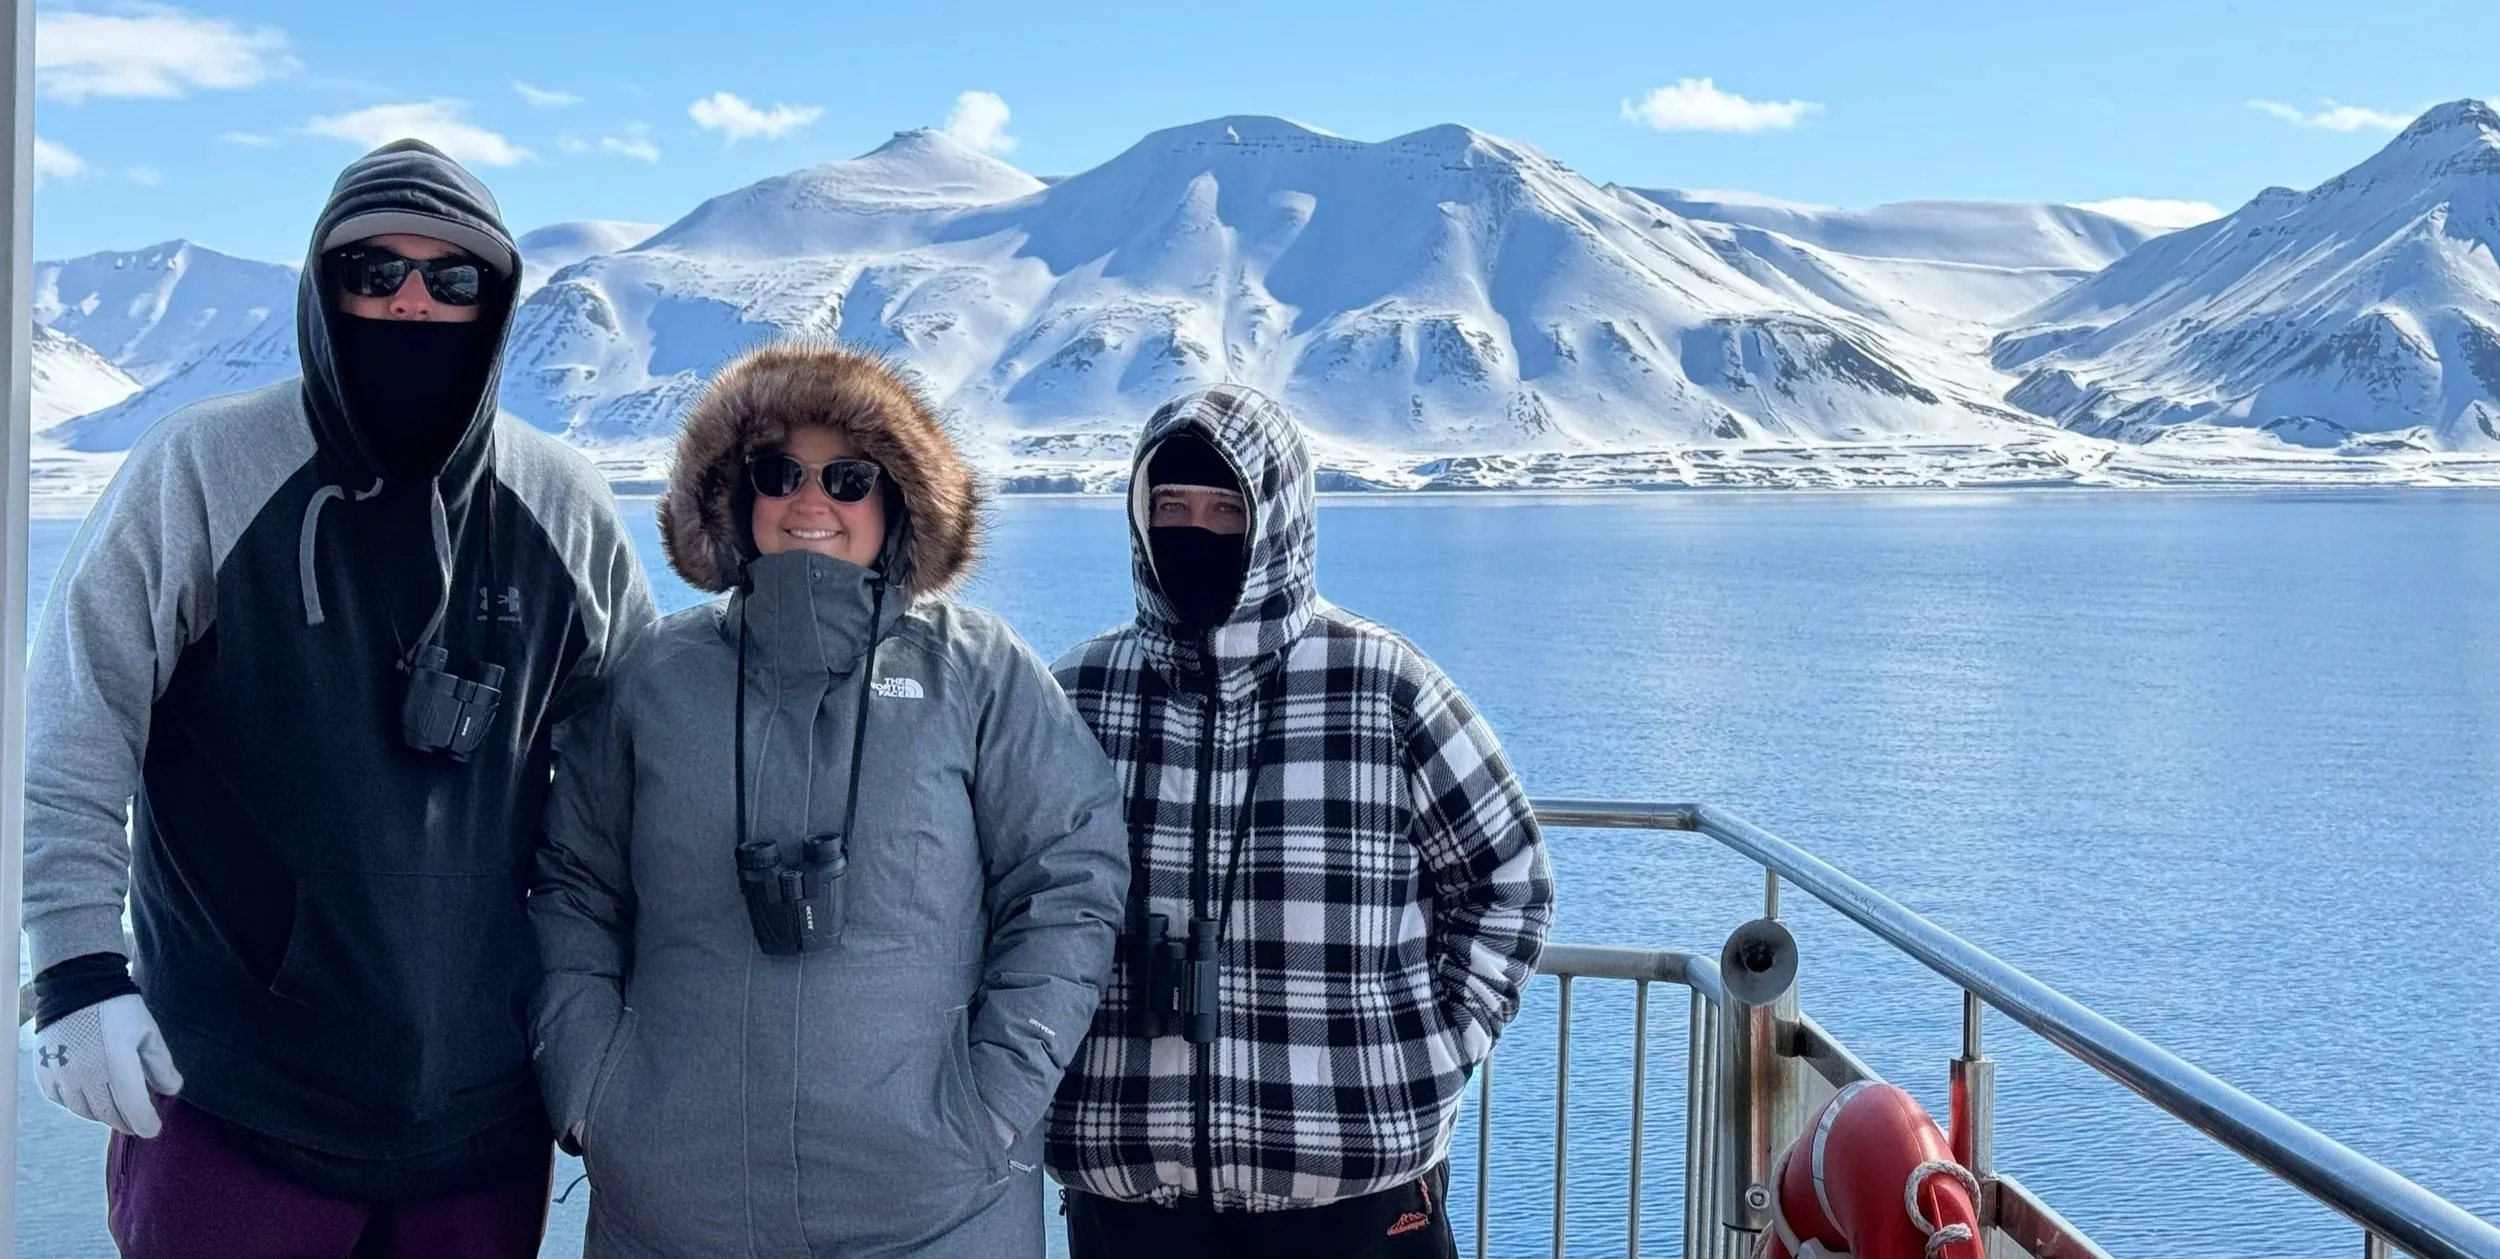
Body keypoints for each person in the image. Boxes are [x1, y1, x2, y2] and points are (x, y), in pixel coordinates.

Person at [21, 138, 654, 1257]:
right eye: (373, 272)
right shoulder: (207, 467)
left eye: (449, 279)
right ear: (323, 289)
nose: (408, 302)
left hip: (483, 1120)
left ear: (496, 301)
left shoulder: (563, 505)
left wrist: (619, 1016)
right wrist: (74, 967)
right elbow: (77, 716)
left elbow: (638, 782)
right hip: (228, 1099)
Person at [529, 342, 1130, 1257]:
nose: (813, 504)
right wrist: (593, 1087)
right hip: (673, 1214)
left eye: (849, 478)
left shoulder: (976, 673)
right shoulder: (656, 678)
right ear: (735, 493)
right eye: (780, 473)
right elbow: (573, 885)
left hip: (936, 1212)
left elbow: (1071, 879)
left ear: (895, 499)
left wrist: (993, 1102)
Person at [1046, 384, 1555, 1258]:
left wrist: (1432, 1047)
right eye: (1170, 506)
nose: (1195, 531)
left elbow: (1508, 877)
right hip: (1131, 1197)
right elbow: (1011, 893)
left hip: (1354, 1198)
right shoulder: (1081, 692)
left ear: (1276, 519)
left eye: (1224, 509)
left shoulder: (1383, 686)